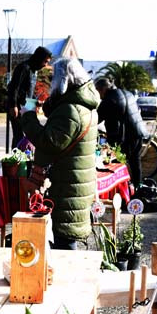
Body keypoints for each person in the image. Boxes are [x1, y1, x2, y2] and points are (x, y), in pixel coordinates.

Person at [20, 57, 99, 250]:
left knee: (66, 246)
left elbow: (48, 143)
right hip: (75, 185)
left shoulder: (70, 110)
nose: (51, 81)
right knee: (67, 241)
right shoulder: (83, 105)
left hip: (67, 190)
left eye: (54, 77)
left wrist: (28, 116)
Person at [95, 76, 149, 189]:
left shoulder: (109, 100)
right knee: (135, 160)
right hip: (138, 131)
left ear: (103, 89)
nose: (98, 95)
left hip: (125, 137)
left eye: (98, 91)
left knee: (118, 164)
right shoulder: (127, 93)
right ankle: (137, 187)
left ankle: (122, 190)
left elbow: (96, 119)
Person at [6, 46, 52, 149]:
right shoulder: (24, 68)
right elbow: (14, 87)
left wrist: (36, 101)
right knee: (19, 135)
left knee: (28, 135)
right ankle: (18, 160)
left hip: (27, 106)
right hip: (18, 106)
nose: (45, 65)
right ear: (39, 58)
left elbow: (28, 90)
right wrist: (13, 105)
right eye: (45, 61)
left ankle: (22, 157)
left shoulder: (34, 70)